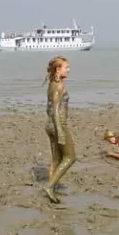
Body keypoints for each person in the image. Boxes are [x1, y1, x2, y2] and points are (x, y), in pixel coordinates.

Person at [43, 56, 76, 203]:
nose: (68, 70)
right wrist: (60, 131)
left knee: (56, 159)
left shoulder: (51, 84)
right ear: (58, 69)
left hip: (49, 124)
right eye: (66, 67)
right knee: (70, 157)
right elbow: (56, 110)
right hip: (58, 124)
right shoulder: (59, 86)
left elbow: (48, 108)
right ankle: (50, 187)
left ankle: (52, 187)